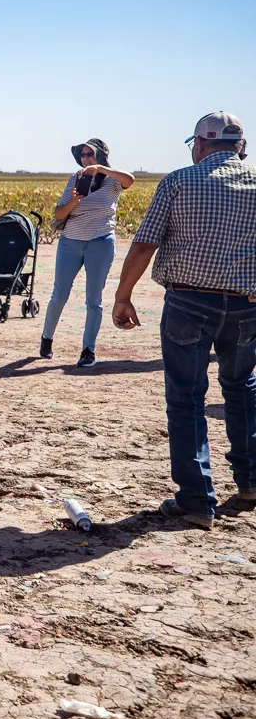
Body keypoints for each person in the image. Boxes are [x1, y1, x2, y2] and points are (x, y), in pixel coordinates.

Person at [112, 112, 256, 530]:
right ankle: (249, 483)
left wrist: (123, 296)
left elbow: (144, 244)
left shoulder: (179, 180)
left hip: (190, 302)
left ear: (199, 145)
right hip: (248, 306)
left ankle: (196, 501)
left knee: (187, 399)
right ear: (241, 147)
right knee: (243, 389)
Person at [39, 139, 135, 367]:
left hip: (100, 243)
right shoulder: (76, 178)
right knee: (59, 295)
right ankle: (47, 338)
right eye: (82, 154)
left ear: (100, 155)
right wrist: (74, 200)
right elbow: (59, 214)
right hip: (70, 243)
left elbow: (130, 180)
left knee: (94, 299)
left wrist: (100, 169)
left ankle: (88, 351)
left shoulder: (112, 180)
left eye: (89, 154)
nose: (85, 158)